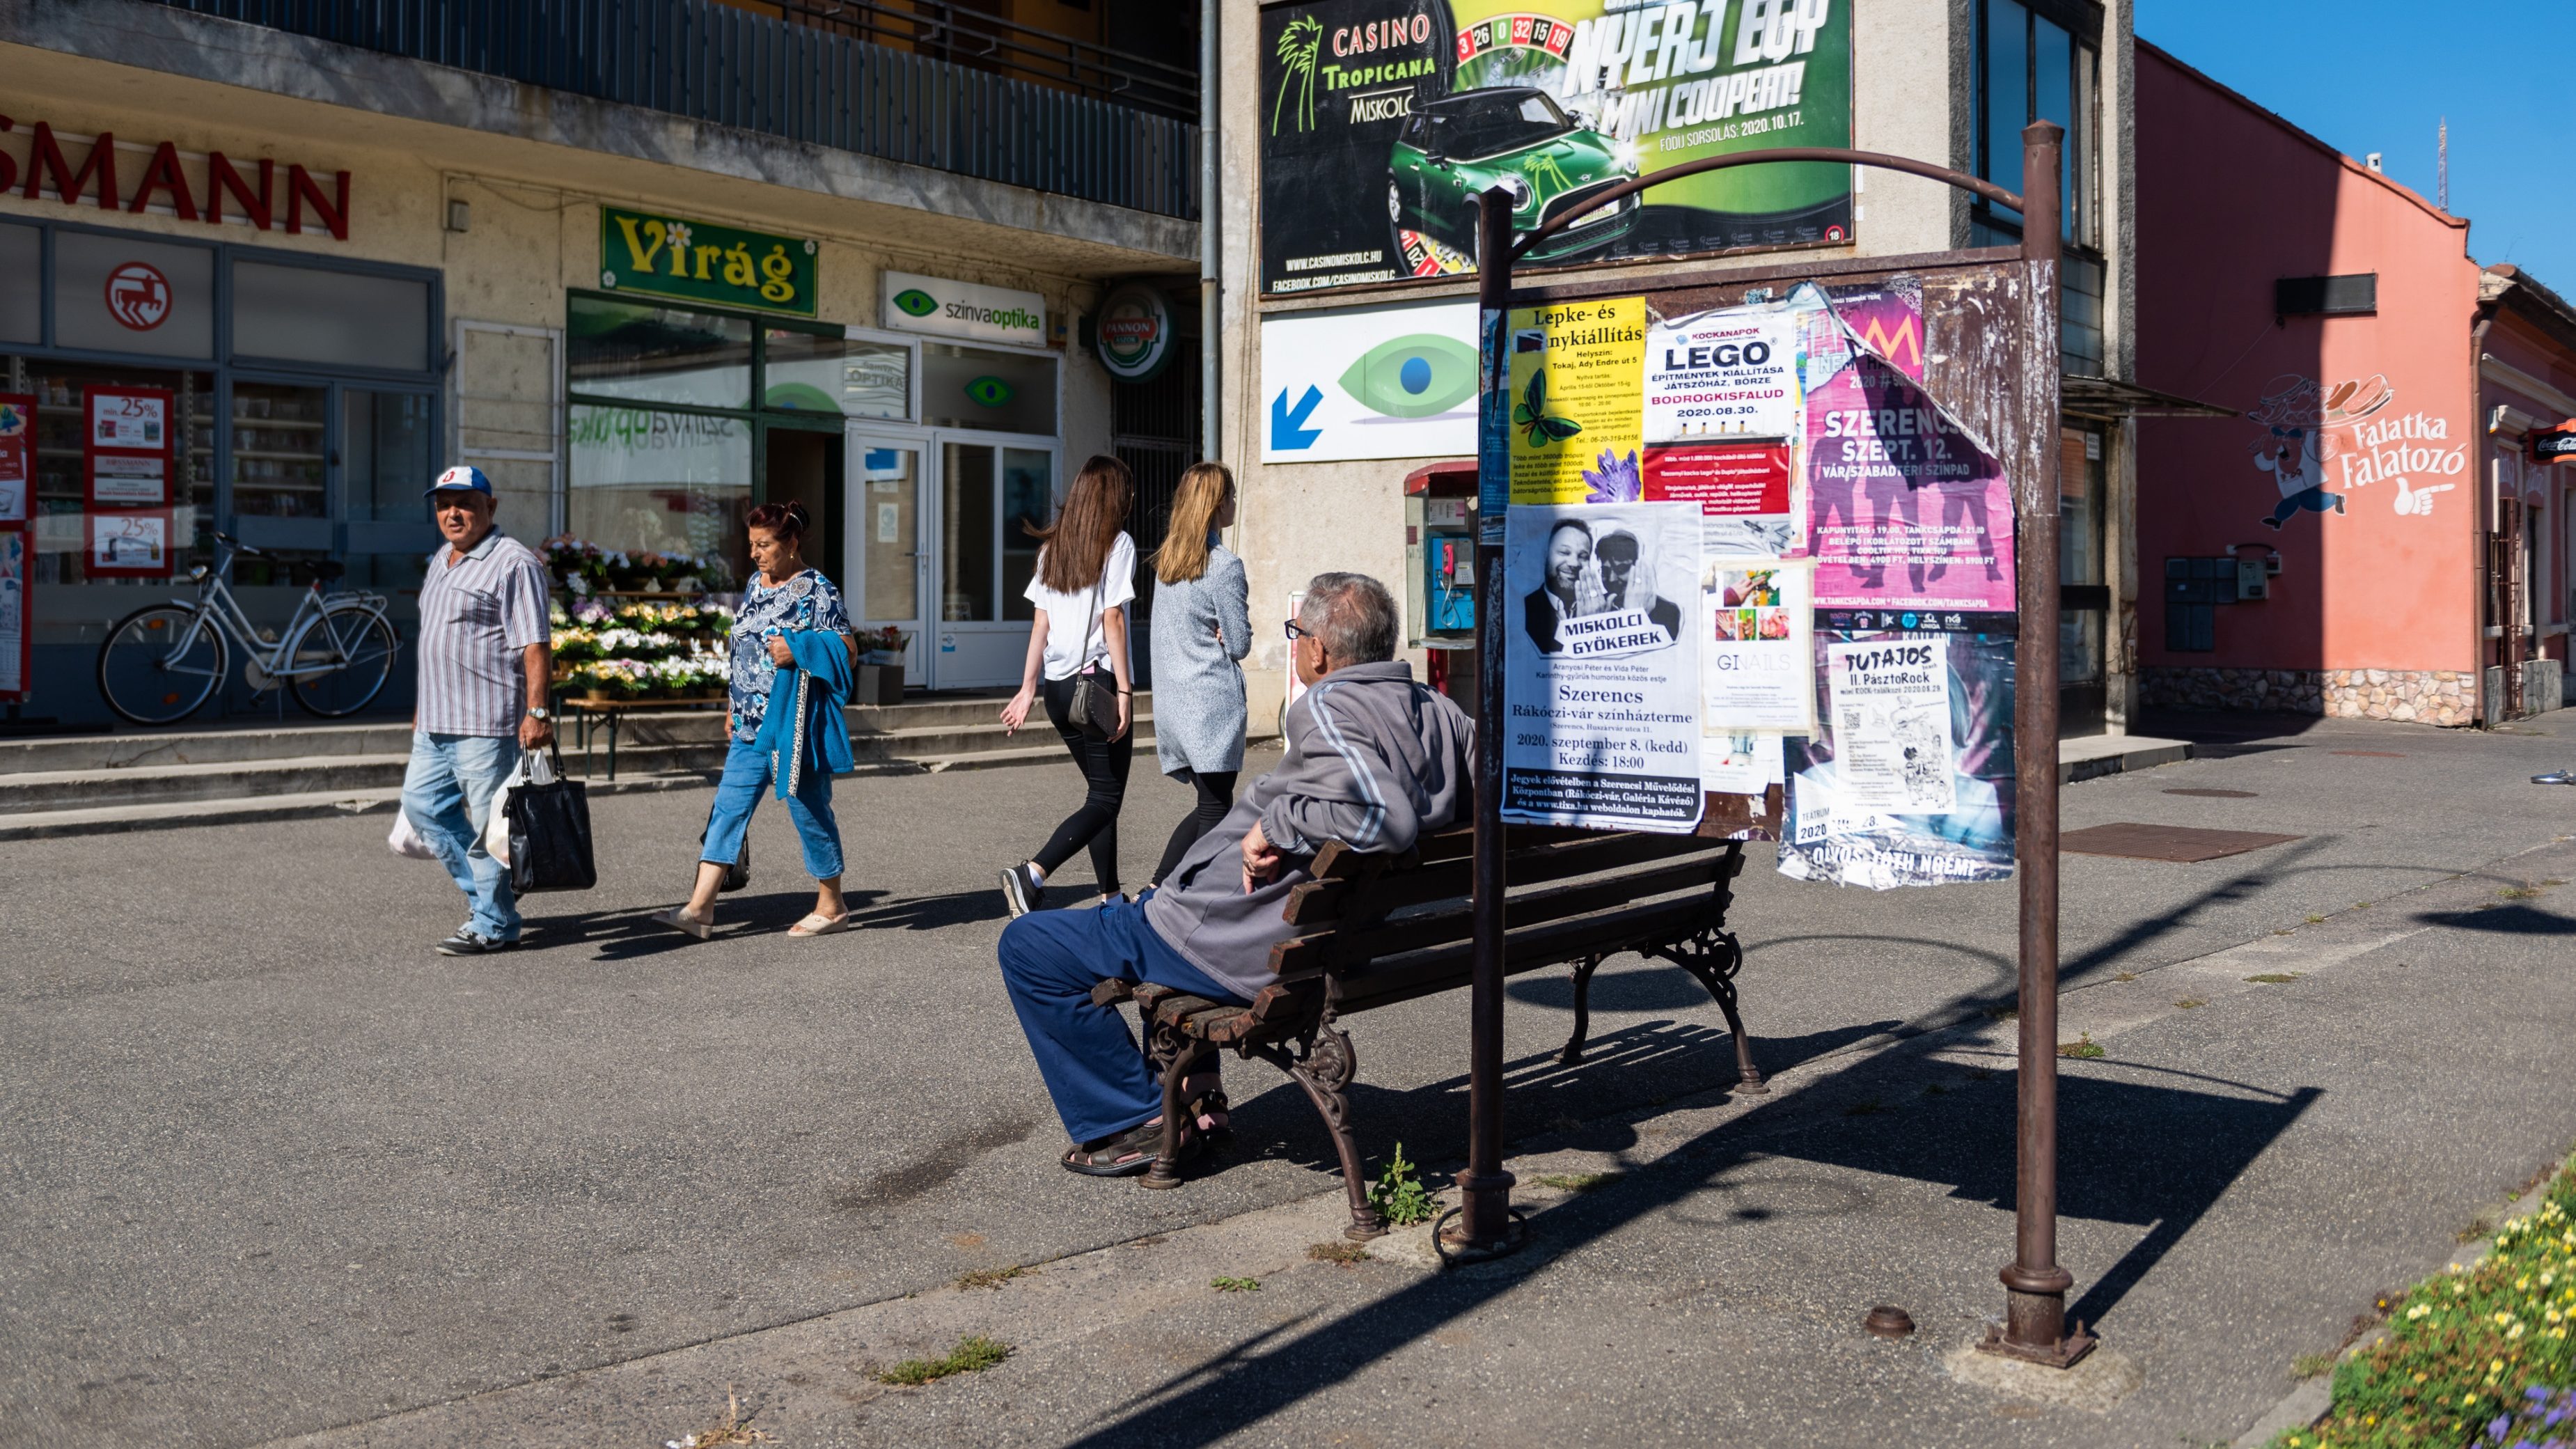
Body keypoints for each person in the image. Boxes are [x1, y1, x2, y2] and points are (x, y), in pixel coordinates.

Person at [995, 573, 1475, 1175]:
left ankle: (1135, 1119)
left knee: (1028, 945)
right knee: (1147, 910)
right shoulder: (1441, 713)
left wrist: (1278, 823)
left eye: (1297, 634)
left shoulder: (1330, 706)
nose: (1296, 645)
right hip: (1310, 941)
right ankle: (1199, 1100)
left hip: (1234, 944)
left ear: (1320, 650)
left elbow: (1385, 816)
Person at [651, 501, 858, 940]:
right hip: (750, 724)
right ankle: (700, 909)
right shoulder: (755, 583)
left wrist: (799, 648)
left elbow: (849, 651)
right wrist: (732, 704)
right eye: (751, 545)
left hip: (793, 723)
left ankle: (833, 905)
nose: (755, 553)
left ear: (792, 543)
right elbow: (743, 648)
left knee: (811, 813)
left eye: (764, 545)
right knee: (728, 809)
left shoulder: (819, 589)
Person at [400, 464, 554, 957]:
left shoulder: (514, 562)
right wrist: (422, 708)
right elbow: (434, 641)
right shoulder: (441, 558)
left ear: (491, 507)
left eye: (465, 503)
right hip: (436, 721)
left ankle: (494, 921)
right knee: (423, 805)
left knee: (494, 829)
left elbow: (535, 644)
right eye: (444, 504)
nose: (453, 513)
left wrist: (538, 711)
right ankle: (493, 897)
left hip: (486, 724)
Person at [998, 455, 1138, 916]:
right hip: (1094, 685)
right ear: (1115, 497)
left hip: (1059, 691)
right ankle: (1032, 874)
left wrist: (1026, 688)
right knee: (1105, 797)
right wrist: (1125, 691)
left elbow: (1040, 625)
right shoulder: (1117, 544)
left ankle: (1111, 897)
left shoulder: (1052, 548)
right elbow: (1112, 619)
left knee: (1100, 794)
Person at [1146, 462, 1250, 888]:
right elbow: (1240, 643)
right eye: (1229, 495)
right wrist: (1225, 635)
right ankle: (1175, 895)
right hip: (1211, 705)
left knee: (1211, 805)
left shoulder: (1168, 562)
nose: (1233, 502)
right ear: (1215, 503)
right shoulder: (1224, 566)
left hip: (1175, 702)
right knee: (1216, 809)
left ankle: (1156, 889)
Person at [1522, 517, 1599, 653]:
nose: (1574, 563)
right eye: (1564, 552)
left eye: (1583, 556)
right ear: (1545, 556)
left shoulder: (1600, 611)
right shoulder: (1523, 609)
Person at [1594, 528, 1682, 641]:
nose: (1611, 579)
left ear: (1639, 568)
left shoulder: (1668, 611)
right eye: (1605, 571)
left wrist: (1637, 618)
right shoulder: (1596, 609)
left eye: (1621, 569)